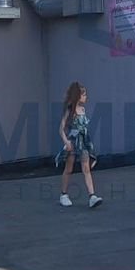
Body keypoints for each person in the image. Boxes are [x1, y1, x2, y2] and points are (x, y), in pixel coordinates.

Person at [57, 81, 102, 209]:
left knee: (86, 169)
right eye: (84, 94)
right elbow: (61, 129)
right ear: (78, 96)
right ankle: (63, 195)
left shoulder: (82, 109)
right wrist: (66, 142)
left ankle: (92, 196)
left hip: (83, 143)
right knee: (69, 169)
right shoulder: (70, 111)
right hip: (73, 142)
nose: (86, 97)